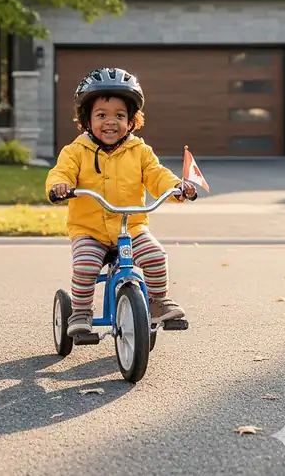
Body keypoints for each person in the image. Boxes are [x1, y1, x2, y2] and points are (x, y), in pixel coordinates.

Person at [46, 67, 196, 342]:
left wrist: (176, 188)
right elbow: (61, 172)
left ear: (132, 120)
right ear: (86, 120)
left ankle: (157, 301)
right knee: (85, 266)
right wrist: (60, 186)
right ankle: (79, 312)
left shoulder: (139, 151)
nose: (111, 122)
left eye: (119, 115)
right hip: (89, 230)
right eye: (101, 115)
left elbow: (157, 175)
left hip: (131, 228)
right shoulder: (75, 151)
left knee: (156, 256)